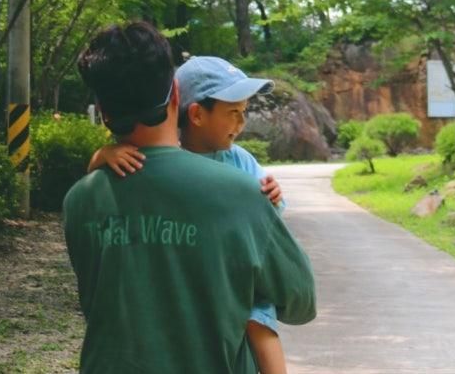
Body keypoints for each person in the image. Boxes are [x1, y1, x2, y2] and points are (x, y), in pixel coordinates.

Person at [64, 22, 316, 374]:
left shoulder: (79, 201)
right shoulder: (241, 194)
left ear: (104, 112)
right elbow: (301, 301)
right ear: (178, 98)